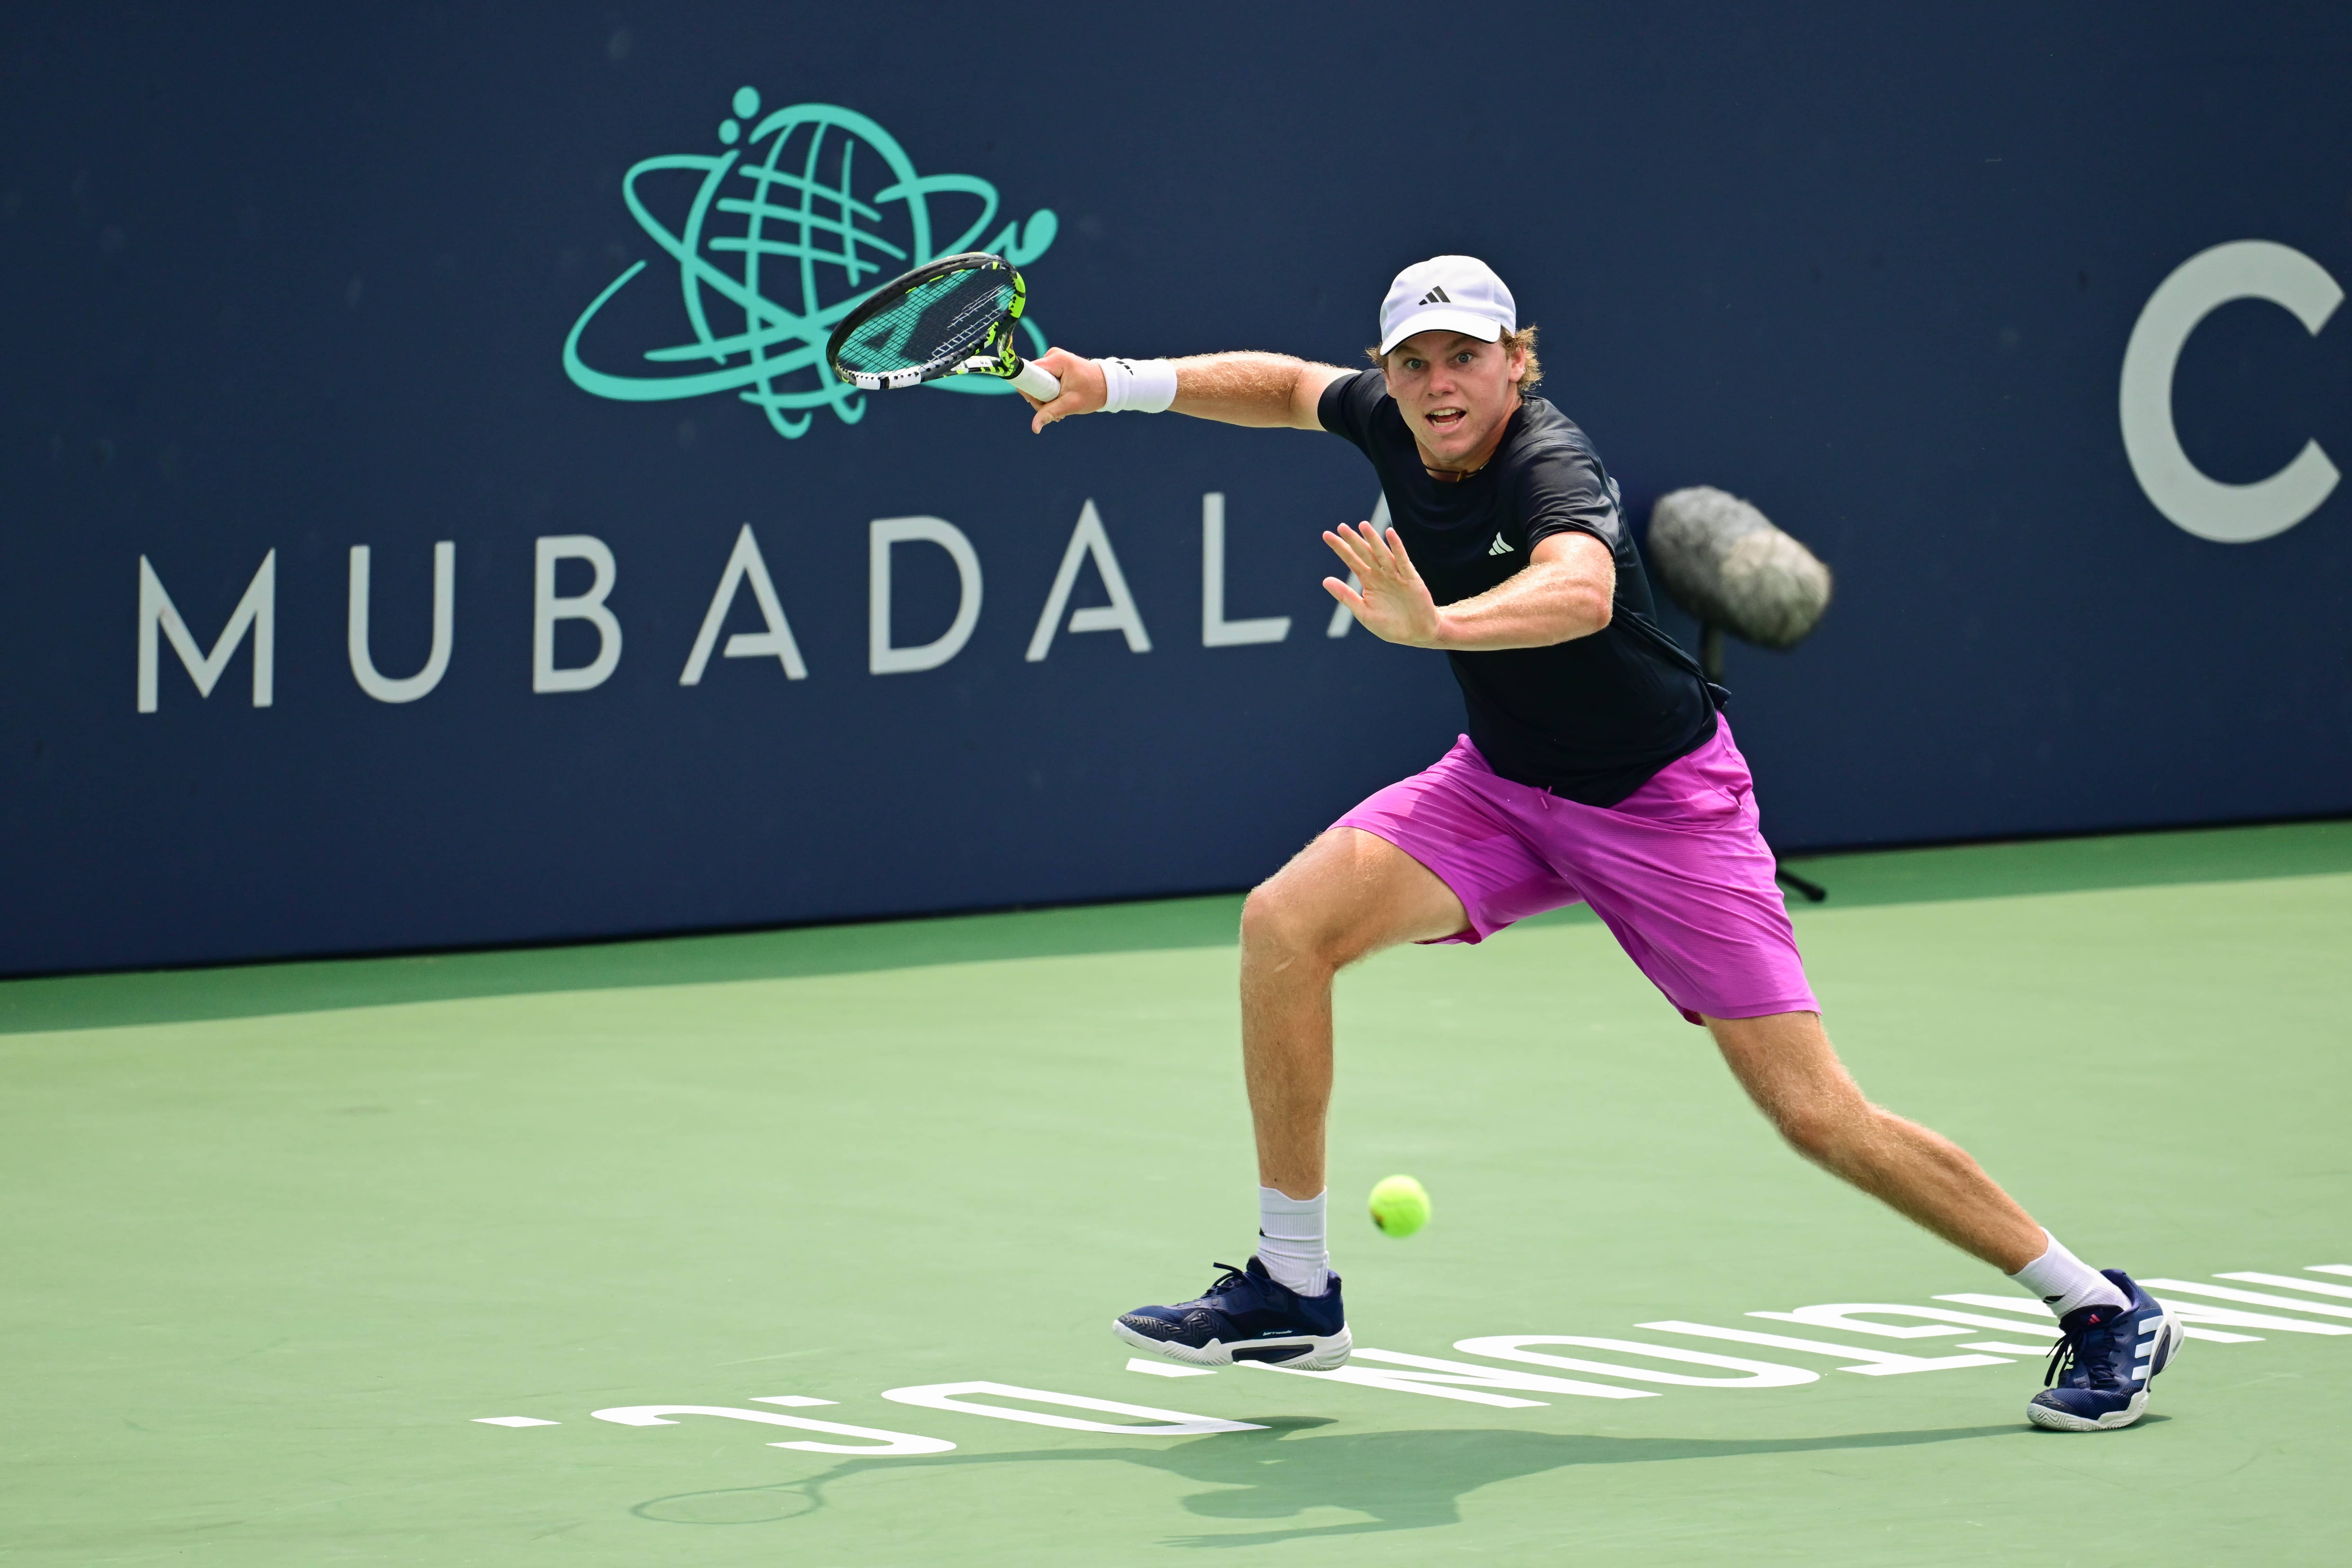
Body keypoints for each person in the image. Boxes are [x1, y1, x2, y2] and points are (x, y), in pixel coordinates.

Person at [1017, 255, 2179, 1433]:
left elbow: (1575, 590)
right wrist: (1112, 382)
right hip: (1505, 790)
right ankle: (1294, 1288)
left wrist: (1438, 627)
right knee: (1284, 925)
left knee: (1817, 1114)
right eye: (1414, 363)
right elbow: (1283, 387)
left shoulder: (1550, 465)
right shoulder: (1388, 414)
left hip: (1665, 812)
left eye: (1466, 356)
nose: (1439, 384)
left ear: (1517, 359)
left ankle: (2098, 1304)